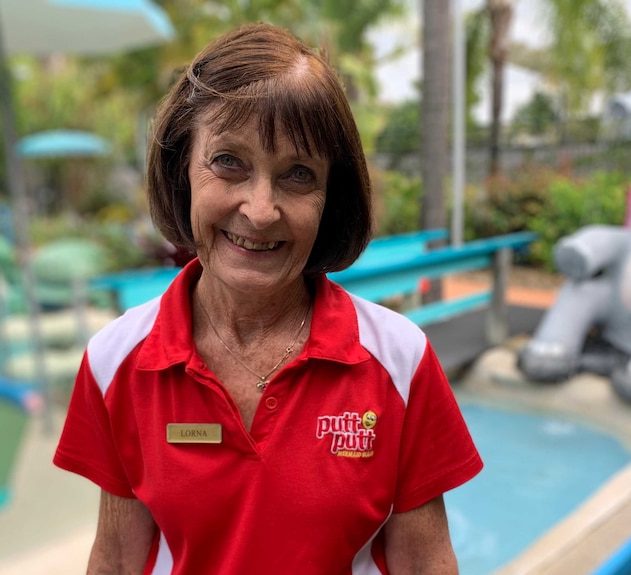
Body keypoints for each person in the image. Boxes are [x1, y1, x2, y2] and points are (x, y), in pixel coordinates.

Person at [54, 22, 483, 574]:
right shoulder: (116, 361)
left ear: (331, 199)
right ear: (182, 167)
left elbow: (425, 564)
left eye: (298, 175)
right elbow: (116, 558)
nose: (260, 210)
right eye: (229, 161)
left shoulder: (400, 362)